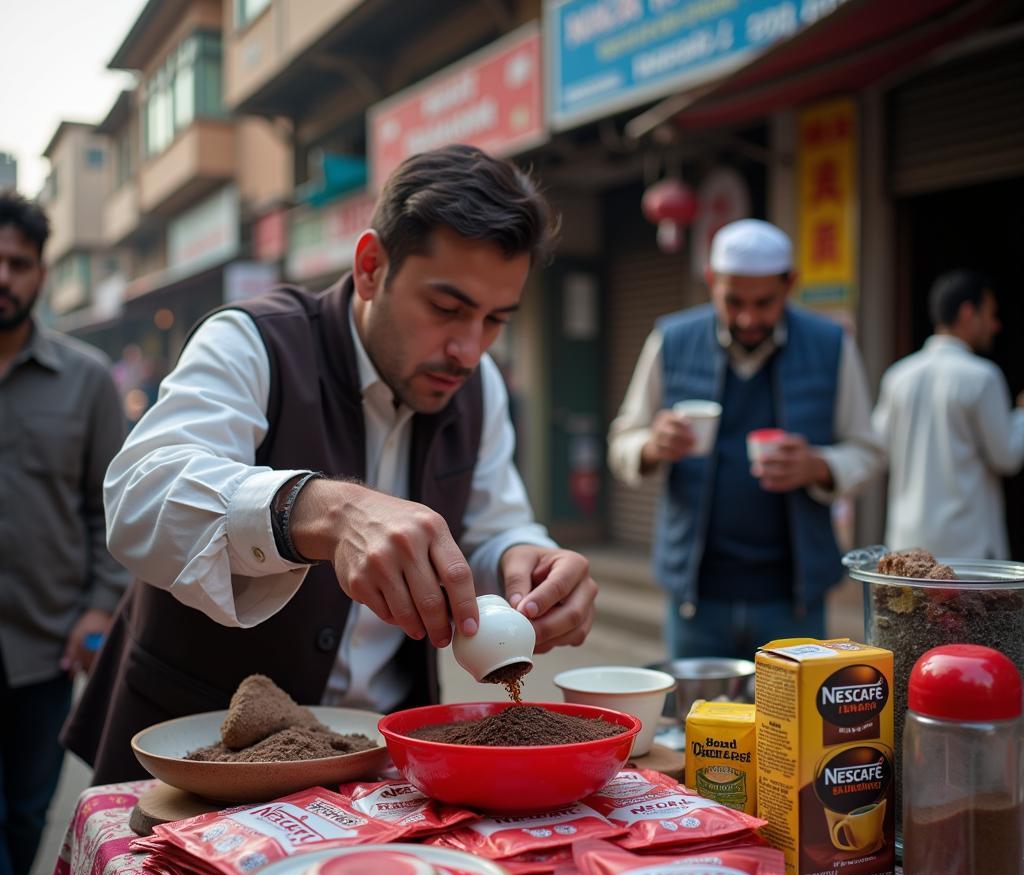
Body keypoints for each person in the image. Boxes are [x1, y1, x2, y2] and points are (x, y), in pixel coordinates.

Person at [64, 145, 598, 784]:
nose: (468, 349)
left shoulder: (479, 387)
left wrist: (527, 562)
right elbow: (138, 494)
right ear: (371, 267)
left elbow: (490, 525)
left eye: (495, 321)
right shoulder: (254, 340)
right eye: (448, 309)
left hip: (382, 766)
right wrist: (321, 510)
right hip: (206, 763)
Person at [608, 218, 882, 661]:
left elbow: (868, 450)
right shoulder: (672, 339)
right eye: (733, 301)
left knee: (795, 728)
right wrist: (651, 446)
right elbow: (623, 438)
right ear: (711, 281)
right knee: (696, 725)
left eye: (764, 303)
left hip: (794, 598)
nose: (749, 318)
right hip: (695, 596)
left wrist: (818, 465)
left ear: (790, 284)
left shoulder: (831, 345)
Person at [0, 192, 128, 875]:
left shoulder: (83, 381)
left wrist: (95, 609)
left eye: (16, 263)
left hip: (42, 646)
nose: (1, 278)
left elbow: (112, 511)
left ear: (43, 273)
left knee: (24, 815)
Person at [872, 269, 1024, 559]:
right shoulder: (983, 377)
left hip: (908, 547)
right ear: (969, 313)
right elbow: (1007, 457)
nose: (995, 325)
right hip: (969, 551)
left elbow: (877, 450)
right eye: (990, 314)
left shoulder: (898, 376)